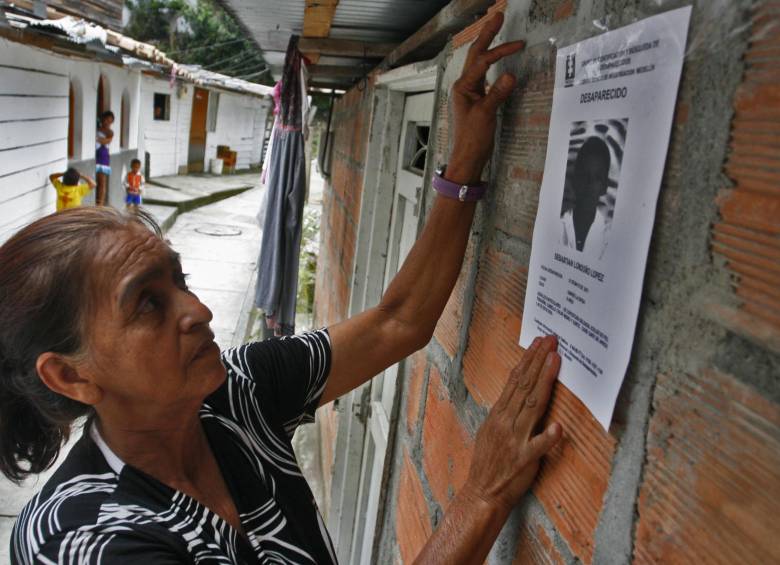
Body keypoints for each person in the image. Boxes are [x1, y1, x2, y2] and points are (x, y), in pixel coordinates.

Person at [1, 13, 563, 564]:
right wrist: (481, 497)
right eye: (148, 304)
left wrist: (462, 165)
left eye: (181, 281)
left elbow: (399, 321)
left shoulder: (235, 395)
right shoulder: (85, 540)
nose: (198, 311)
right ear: (71, 375)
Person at [560, 136, 611, 257]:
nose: (590, 184)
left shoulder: (609, 239)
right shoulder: (558, 227)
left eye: (597, 178)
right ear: (575, 180)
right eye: (584, 175)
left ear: (604, 186)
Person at [95, 111, 114, 206]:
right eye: (106, 120)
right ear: (102, 119)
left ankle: (100, 205)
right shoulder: (97, 129)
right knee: (95, 181)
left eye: (110, 121)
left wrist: (96, 138)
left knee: (102, 182)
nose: (107, 123)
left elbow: (105, 141)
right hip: (96, 156)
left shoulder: (110, 132)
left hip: (103, 157)